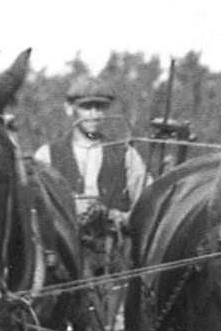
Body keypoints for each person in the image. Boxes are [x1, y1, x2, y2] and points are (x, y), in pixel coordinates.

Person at [33, 79, 149, 250]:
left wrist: (117, 216)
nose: (94, 115)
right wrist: (71, 207)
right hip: (63, 259)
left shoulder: (126, 154)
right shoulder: (47, 155)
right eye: (86, 107)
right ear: (70, 108)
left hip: (114, 257)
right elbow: (35, 210)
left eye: (100, 107)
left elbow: (147, 206)